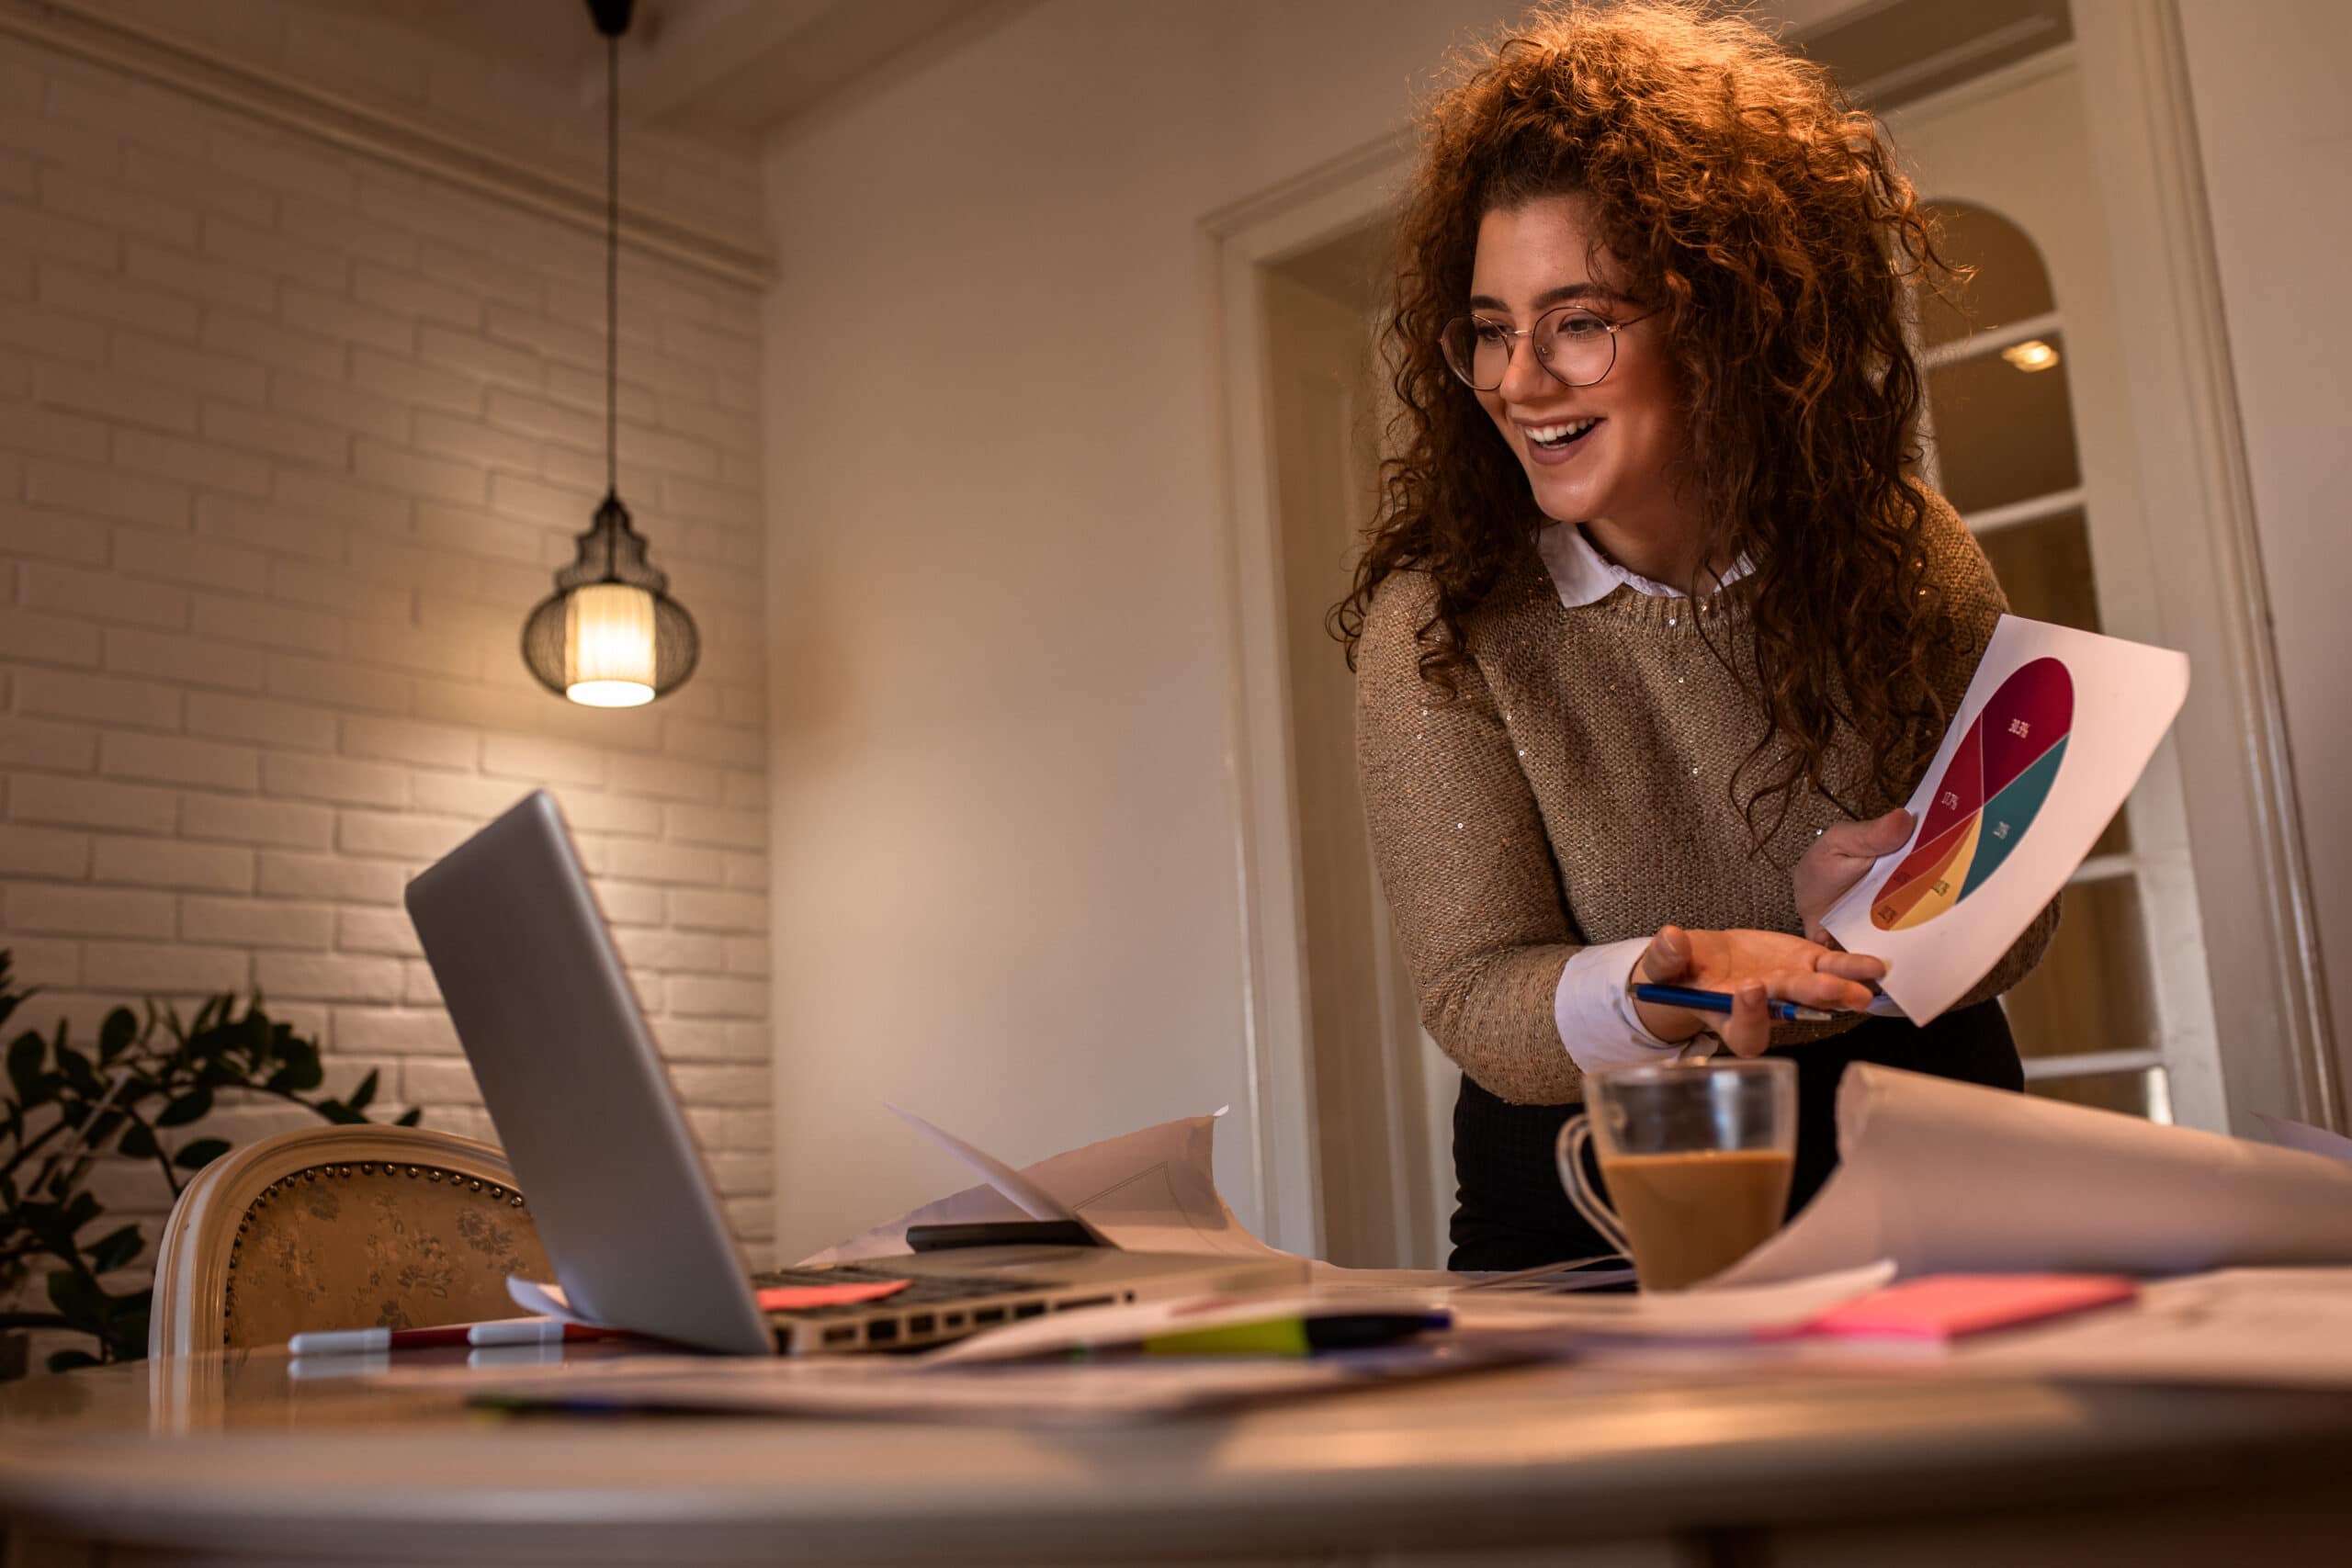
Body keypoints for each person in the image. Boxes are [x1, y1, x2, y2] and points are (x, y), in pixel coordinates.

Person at [1335, 0, 2057, 1270]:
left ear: (1730, 324)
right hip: (1599, 1231)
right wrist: (1672, 979)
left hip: (1943, 1190)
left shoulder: (1905, 542)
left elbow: (2020, 919)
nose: (1517, 380)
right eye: (1492, 329)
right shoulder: (1442, 627)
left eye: (1578, 321)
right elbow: (1478, 996)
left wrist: (1884, 916)